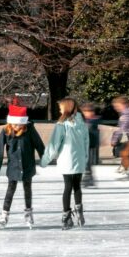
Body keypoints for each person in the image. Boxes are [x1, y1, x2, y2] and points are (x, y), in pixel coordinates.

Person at [0, 99, 44, 227]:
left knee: (27, 189)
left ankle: (28, 214)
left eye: (19, 124)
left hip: (27, 165)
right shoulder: (6, 131)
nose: (16, 127)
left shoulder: (29, 130)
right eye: (14, 124)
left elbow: (39, 145)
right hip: (13, 166)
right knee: (10, 190)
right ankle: (4, 216)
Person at [42, 97, 89, 228]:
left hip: (67, 160)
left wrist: (45, 160)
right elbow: (86, 142)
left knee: (68, 187)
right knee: (77, 186)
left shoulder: (62, 124)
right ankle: (79, 212)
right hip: (79, 159)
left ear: (66, 108)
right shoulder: (82, 123)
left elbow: (54, 144)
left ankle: (67, 217)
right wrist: (85, 157)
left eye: (61, 108)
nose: (59, 110)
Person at [80, 101, 101, 187]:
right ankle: (89, 177)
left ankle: (88, 177)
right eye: (84, 112)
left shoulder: (93, 121)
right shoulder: (85, 121)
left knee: (88, 161)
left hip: (91, 144)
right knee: (85, 161)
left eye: (88, 112)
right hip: (85, 144)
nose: (86, 114)